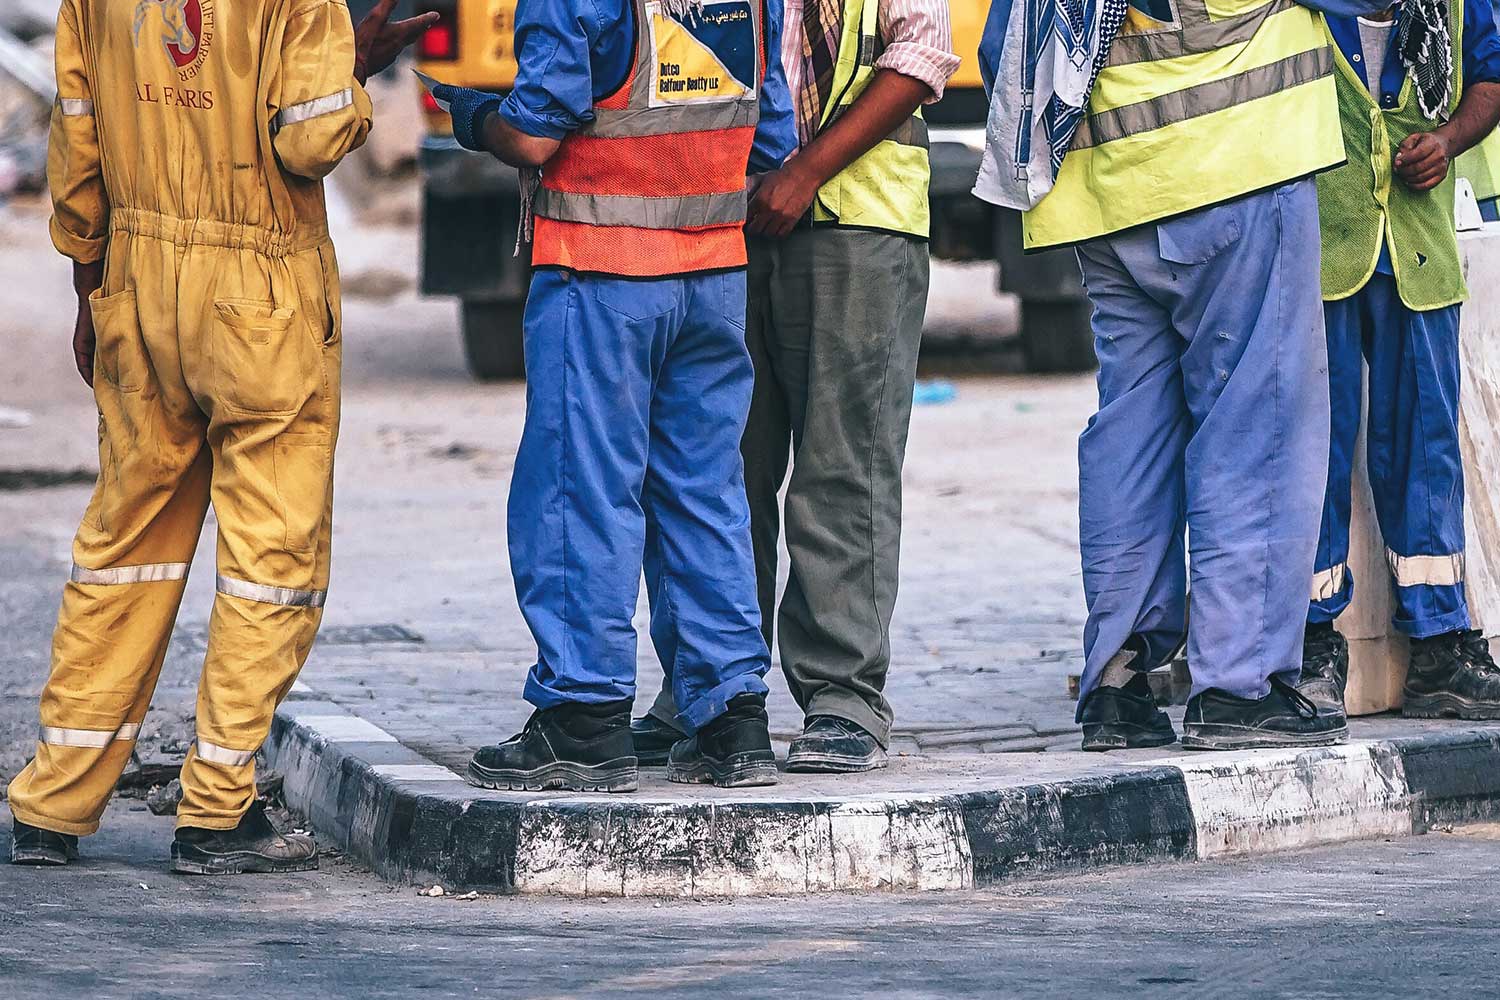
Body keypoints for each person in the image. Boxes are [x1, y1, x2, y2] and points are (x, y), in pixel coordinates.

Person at [8, 0, 433, 872]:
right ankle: (214, 815)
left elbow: (76, 150)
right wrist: (351, 65)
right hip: (261, 294)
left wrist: (93, 291)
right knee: (269, 562)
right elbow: (309, 142)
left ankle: (53, 805)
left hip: (137, 283)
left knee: (125, 549)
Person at [979, 0, 1390, 752]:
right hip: (1231, 163)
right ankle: (1239, 684)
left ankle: (1118, 680)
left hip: (1104, 191)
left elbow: (1003, 40)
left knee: (1132, 433)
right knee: (1255, 425)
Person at [430, 0, 798, 791]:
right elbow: (772, 141)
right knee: (705, 491)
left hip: (602, 278)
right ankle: (732, 719)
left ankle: (582, 719)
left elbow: (534, 134)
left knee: (581, 492)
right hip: (713, 278)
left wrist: (474, 117)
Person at [632, 0, 960, 775]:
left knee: (841, 464)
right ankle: (711, 688)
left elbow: (921, 55)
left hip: (856, 222)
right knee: (715, 471)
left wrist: (804, 171)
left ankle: (843, 693)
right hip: (721, 217)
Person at [1299, 0, 1500, 720]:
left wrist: (1447, 139)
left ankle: (1439, 648)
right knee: (1311, 448)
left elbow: (1490, 76)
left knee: (1427, 449)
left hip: (1417, 249)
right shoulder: (1299, 9)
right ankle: (1311, 643)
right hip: (1321, 249)